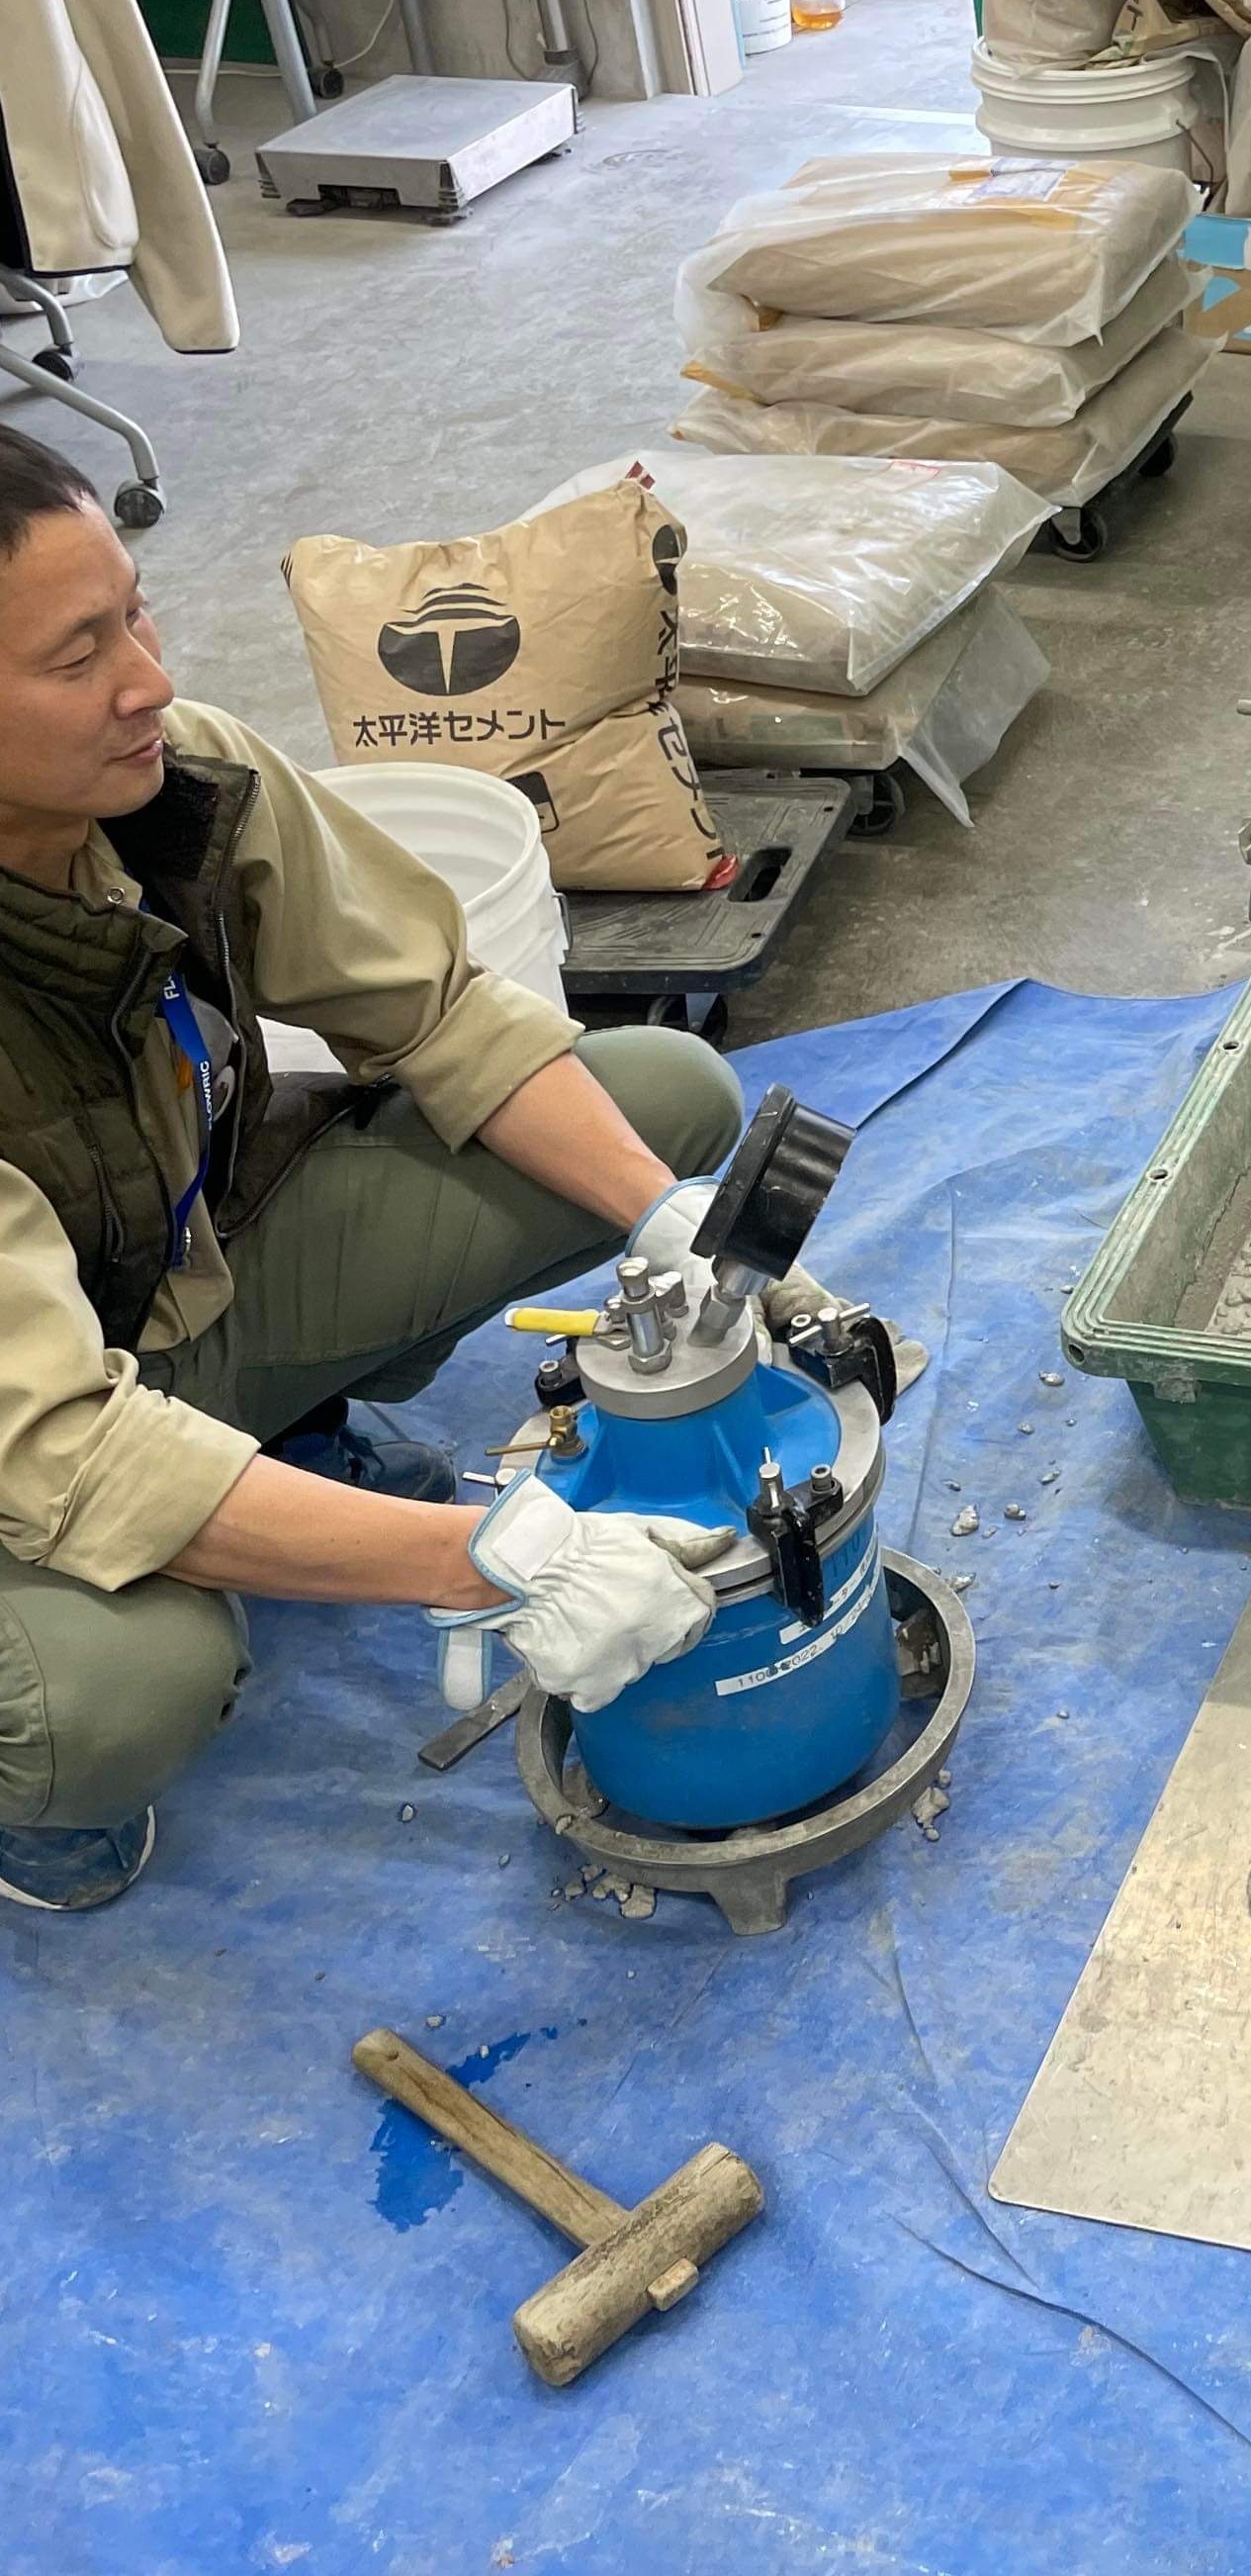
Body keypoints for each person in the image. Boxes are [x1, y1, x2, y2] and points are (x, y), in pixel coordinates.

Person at [0, 426, 802, 1912]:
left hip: (159, 1309)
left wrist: (662, 1213)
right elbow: (48, 1445)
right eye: (75, 656)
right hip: (23, 1426)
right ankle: (30, 1797)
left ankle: (285, 1439)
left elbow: (436, 1008)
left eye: (135, 610)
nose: (148, 680)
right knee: (124, 1688)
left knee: (659, 1099)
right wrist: (486, 1561)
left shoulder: (178, 786)